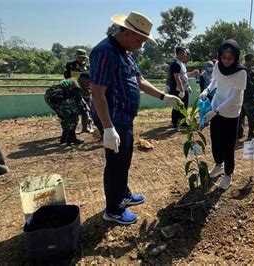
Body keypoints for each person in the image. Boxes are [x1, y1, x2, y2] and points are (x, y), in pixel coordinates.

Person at [90, 11, 181, 225]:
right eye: (140, 40)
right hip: (112, 118)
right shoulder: (105, 52)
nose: (141, 45)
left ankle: (123, 195)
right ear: (128, 32)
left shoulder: (125, 52)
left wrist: (163, 96)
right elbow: (97, 92)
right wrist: (107, 128)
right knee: (116, 163)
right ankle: (113, 210)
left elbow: (139, 80)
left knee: (125, 159)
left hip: (124, 117)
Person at [200, 39, 247, 190]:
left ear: (236, 58)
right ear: (220, 56)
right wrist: (207, 90)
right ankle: (218, 165)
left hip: (231, 112)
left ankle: (228, 174)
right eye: (224, 57)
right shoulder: (217, 65)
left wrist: (216, 111)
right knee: (215, 141)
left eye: (230, 58)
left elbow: (234, 96)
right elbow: (214, 81)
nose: (226, 61)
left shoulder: (241, 72)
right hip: (216, 107)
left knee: (228, 145)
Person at [45, 73, 91, 145]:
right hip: (57, 95)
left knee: (65, 116)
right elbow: (79, 100)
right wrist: (85, 108)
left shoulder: (73, 80)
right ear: (83, 79)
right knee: (73, 114)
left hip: (49, 96)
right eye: (88, 82)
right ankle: (71, 137)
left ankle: (65, 137)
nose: (89, 84)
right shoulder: (77, 84)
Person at [167, 47, 199, 128]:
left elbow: (184, 75)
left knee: (184, 106)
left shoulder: (182, 64)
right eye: (184, 53)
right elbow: (177, 78)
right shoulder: (175, 64)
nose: (185, 55)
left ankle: (183, 121)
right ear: (179, 53)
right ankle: (174, 122)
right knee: (177, 106)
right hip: (178, 90)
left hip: (184, 88)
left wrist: (191, 74)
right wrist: (181, 90)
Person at [64, 49, 93, 133]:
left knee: (87, 109)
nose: (82, 59)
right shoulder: (70, 65)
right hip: (74, 90)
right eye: (81, 57)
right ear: (77, 57)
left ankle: (87, 126)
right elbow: (66, 76)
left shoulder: (87, 67)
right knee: (74, 110)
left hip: (85, 91)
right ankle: (72, 129)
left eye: (84, 57)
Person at [237, 54, 254, 140]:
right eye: (253, 60)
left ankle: (239, 134)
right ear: (248, 60)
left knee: (240, 118)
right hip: (248, 99)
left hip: (239, 99)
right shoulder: (249, 72)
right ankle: (251, 135)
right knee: (252, 118)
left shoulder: (239, 70)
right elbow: (252, 86)